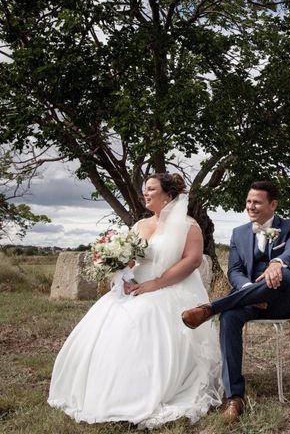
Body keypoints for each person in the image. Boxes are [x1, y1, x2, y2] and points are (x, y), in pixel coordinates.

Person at [48, 173, 223, 429]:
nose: (146, 194)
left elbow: (193, 260)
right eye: (145, 189)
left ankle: (146, 391)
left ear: (168, 195)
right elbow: (131, 260)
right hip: (134, 287)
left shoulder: (189, 226)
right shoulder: (140, 225)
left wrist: (156, 283)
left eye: (151, 189)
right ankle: (107, 391)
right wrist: (121, 273)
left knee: (141, 320)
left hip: (170, 287)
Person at [181, 180, 290, 423]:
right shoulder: (239, 233)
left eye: (257, 202)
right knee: (229, 317)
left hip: (283, 298)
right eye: (249, 201)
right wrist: (250, 289)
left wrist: (275, 263)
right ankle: (234, 398)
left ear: (273, 204)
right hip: (250, 301)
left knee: (281, 275)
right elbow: (235, 271)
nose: (251, 206)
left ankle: (210, 308)